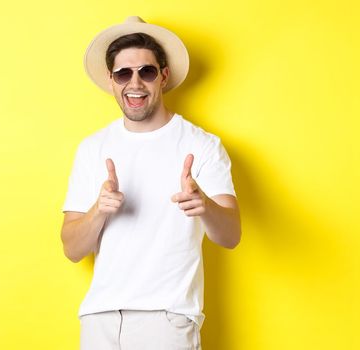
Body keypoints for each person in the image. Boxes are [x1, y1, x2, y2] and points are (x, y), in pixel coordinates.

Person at [60, 16, 241, 349]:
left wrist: (205, 206)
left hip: (167, 319)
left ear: (163, 76)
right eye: (123, 73)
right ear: (111, 80)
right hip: (101, 319)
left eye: (146, 71)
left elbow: (230, 235)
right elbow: (72, 249)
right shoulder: (92, 148)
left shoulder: (201, 145)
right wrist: (99, 211)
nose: (135, 83)